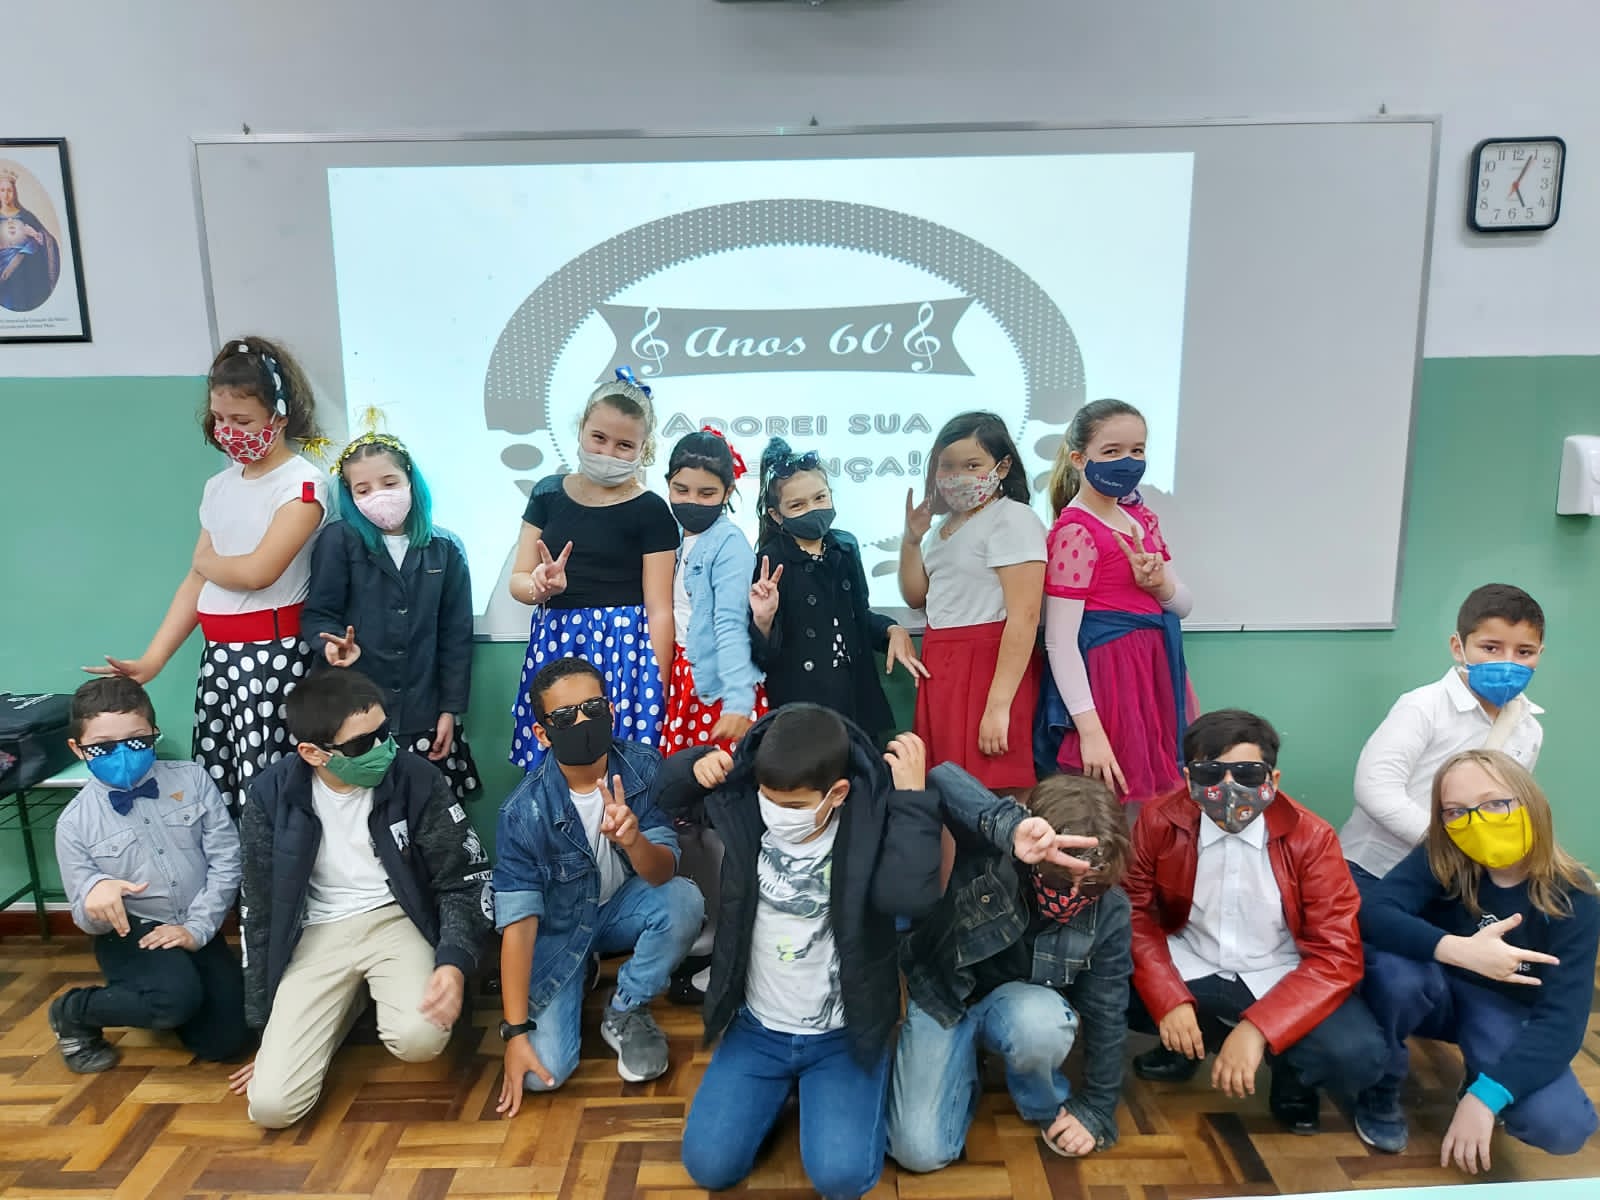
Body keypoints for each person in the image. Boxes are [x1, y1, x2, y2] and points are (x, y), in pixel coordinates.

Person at [653, 708, 944, 1200]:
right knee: (709, 1166)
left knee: (841, 1177)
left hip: (843, 1036)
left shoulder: (868, 822)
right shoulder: (747, 811)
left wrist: (913, 802)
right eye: (769, 798)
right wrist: (694, 765)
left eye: (793, 804)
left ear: (837, 793)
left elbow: (909, 898)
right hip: (758, 1030)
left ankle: (833, 1089)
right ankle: (778, 1094)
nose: (777, 812)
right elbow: (664, 797)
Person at [232, 668, 494, 1128]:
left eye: (383, 732)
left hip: (397, 919)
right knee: (272, 1108)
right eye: (360, 745)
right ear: (312, 753)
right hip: (316, 932)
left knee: (420, 1037)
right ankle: (345, 1006)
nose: (381, 750)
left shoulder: (416, 777)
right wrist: (267, 1030)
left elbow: (465, 879)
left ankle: (363, 997)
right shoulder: (270, 796)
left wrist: (453, 963)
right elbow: (258, 909)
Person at [85, 337, 328, 815]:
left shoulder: (302, 484)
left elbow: (257, 572)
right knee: (223, 783)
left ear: (279, 416)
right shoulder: (219, 486)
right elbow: (197, 580)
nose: (228, 431)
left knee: (270, 786)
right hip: (219, 659)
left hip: (272, 660)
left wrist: (207, 562)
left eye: (243, 421)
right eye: (220, 419)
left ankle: (274, 865)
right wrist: (154, 658)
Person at [1123, 709, 1386, 1136]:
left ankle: (1293, 1078)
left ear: (1273, 780)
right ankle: (1186, 1044)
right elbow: (1133, 912)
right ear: (1189, 780)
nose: (1228, 788)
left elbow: (1337, 956)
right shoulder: (1159, 820)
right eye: (1210, 773)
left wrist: (1260, 1028)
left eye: (1247, 774)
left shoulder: (1313, 838)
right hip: (1191, 961)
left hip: (1278, 973)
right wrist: (1167, 998)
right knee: (1104, 979)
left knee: (1357, 1053)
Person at [1355, 749, 1599, 1169]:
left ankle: (1481, 1075)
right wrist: (1459, 950)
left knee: (1561, 1126)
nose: (1476, 821)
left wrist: (1487, 1097)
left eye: (1494, 803)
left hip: (1500, 1009)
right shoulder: (1444, 855)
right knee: (1393, 972)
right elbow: (1374, 913)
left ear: (1529, 802)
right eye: (1456, 811)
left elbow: (1562, 1021)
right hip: (1436, 991)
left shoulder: (1575, 897)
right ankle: (1382, 1082)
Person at [493, 657, 704, 1107]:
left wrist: (633, 840)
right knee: (544, 1074)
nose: (582, 723)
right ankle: (580, 970)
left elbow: (663, 874)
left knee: (684, 900)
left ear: (610, 709)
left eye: (592, 708)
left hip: (618, 910)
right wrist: (515, 1032)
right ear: (542, 734)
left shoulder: (642, 766)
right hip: (559, 933)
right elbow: (519, 927)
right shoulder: (523, 812)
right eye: (565, 717)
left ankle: (626, 1008)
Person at [890, 773, 1127, 1169]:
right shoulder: (992, 848)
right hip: (943, 995)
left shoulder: (1111, 911)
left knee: (1041, 1025)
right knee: (919, 1152)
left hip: (1019, 1009)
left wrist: (1097, 1107)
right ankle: (964, 1068)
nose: (1073, 894)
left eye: (1091, 886)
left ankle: (1038, 1100)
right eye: (1059, 877)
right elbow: (942, 776)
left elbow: (1107, 1010)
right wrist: (1010, 826)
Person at [48, 677, 247, 1073]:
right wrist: (97, 895)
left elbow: (227, 859)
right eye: (103, 746)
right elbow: (86, 918)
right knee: (174, 999)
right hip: (132, 931)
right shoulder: (73, 824)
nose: (122, 754)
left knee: (228, 1043)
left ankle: (175, 995)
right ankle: (73, 1011)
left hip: (195, 923)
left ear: (154, 733)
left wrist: (197, 928)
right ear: (77, 748)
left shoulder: (192, 779)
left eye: (136, 741)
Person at [507, 367, 678, 771]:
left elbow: (659, 608)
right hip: (557, 643)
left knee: (622, 766)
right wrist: (539, 587)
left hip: (624, 650)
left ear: (643, 449)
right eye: (598, 437)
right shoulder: (547, 493)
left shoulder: (652, 510)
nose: (608, 452)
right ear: (581, 428)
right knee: (558, 763)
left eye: (624, 445)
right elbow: (519, 579)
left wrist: (657, 685)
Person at [305, 425, 480, 799]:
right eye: (363, 490)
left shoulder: (445, 547)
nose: (379, 496)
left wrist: (449, 710)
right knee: (361, 810)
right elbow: (318, 615)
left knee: (421, 810)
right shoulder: (339, 540)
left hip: (422, 711)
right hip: (353, 714)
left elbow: (456, 637)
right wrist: (331, 647)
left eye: (389, 483)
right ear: (350, 495)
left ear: (410, 481)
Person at [1040, 399, 1196, 812]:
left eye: (1137, 450)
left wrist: (1159, 584)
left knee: (1152, 809)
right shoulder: (1075, 532)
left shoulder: (1141, 520)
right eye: (1112, 451)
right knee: (1107, 808)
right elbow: (1059, 642)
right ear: (1079, 459)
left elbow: (1183, 605)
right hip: (1110, 683)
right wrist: (1090, 730)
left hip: (1155, 672)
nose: (1128, 461)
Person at [1342, 584, 1545, 882]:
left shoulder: (1529, 728)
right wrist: (1450, 844)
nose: (1507, 663)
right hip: (1375, 870)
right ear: (1458, 647)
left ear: (1539, 653)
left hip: (1455, 877)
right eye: (1490, 648)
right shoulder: (1423, 706)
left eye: (1524, 652)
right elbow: (1375, 790)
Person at [900, 412, 1046, 793]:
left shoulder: (1013, 518)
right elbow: (916, 597)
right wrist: (912, 540)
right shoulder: (943, 528)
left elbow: (1025, 616)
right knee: (946, 790)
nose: (957, 476)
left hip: (989, 668)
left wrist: (998, 706)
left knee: (997, 789)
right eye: (947, 466)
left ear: (1003, 466)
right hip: (941, 667)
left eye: (972, 465)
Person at [750, 438, 926, 740]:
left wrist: (892, 629)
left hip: (854, 698)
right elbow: (763, 654)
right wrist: (763, 621)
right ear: (776, 514)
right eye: (797, 505)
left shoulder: (845, 547)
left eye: (820, 498)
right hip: (802, 706)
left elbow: (858, 617)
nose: (813, 509)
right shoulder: (769, 561)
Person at [661, 427, 766, 754]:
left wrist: (737, 701)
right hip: (685, 679)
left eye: (706, 493)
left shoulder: (729, 544)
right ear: (667, 483)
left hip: (719, 688)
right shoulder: (674, 537)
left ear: (728, 491)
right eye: (681, 489)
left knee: (718, 778)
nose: (692, 501)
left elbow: (730, 624)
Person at [0, 166, 61, 312]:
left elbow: (47, 241)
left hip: (25, 269)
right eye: (2, 190)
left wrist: (35, 235)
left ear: (14, 193)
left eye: (9, 190)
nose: (6, 195)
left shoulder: (26, 216)